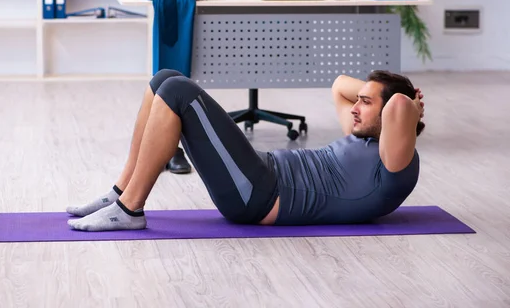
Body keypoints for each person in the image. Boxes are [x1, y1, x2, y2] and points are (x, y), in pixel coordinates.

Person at [66, 69, 425, 231]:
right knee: (164, 78)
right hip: (258, 172)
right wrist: (376, 93)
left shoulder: (395, 162)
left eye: (365, 102)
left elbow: (396, 109)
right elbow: (339, 86)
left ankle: (130, 210)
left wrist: (406, 102)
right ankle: (120, 194)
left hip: (258, 197)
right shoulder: (363, 134)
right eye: (358, 102)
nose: (354, 107)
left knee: (178, 91)